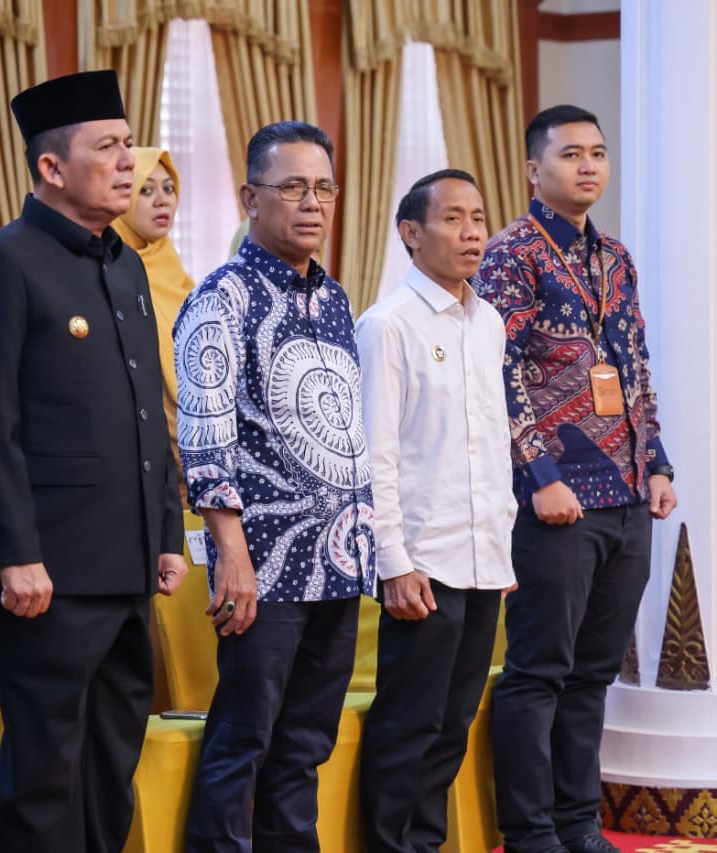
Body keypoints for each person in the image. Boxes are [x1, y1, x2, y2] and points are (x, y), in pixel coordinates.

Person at [0, 69, 188, 853]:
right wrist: (13, 554)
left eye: (129, 145)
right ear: (51, 166)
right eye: (108, 147)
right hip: (48, 573)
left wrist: (166, 531)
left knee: (113, 759)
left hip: (127, 565)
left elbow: (147, 413)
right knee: (48, 768)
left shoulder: (125, 263)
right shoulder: (0, 263)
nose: (127, 164)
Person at [478, 104, 677, 853]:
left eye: (597, 152)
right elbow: (497, 371)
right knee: (538, 673)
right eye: (570, 154)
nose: (588, 165)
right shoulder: (512, 255)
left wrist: (657, 463)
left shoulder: (615, 258)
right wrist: (539, 475)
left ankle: (578, 823)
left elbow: (634, 366)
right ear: (535, 170)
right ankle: (531, 832)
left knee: (593, 674)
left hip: (626, 494)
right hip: (556, 498)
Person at [175, 120, 376, 852]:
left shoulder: (336, 299)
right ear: (249, 198)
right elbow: (204, 438)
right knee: (244, 740)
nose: (312, 203)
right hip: (263, 562)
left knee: (306, 743)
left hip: (338, 558)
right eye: (292, 187)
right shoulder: (221, 298)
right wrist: (231, 554)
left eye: (323, 188)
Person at [355, 169, 517, 853]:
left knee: (453, 724)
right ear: (411, 233)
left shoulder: (489, 321)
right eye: (453, 218)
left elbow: (493, 442)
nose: (472, 232)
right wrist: (393, 562)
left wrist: (503, 544)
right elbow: (376, 455)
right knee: (409, 723)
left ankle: (425, 843)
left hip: (482, 558)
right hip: (423, 562)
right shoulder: (387, 325)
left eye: (478, 218)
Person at [111, 147, 194, 503]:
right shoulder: (110, 275)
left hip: (199, 465)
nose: (162, 200)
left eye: (168, 189)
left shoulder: (184, 282)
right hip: (140, 470)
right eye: (145, 190)